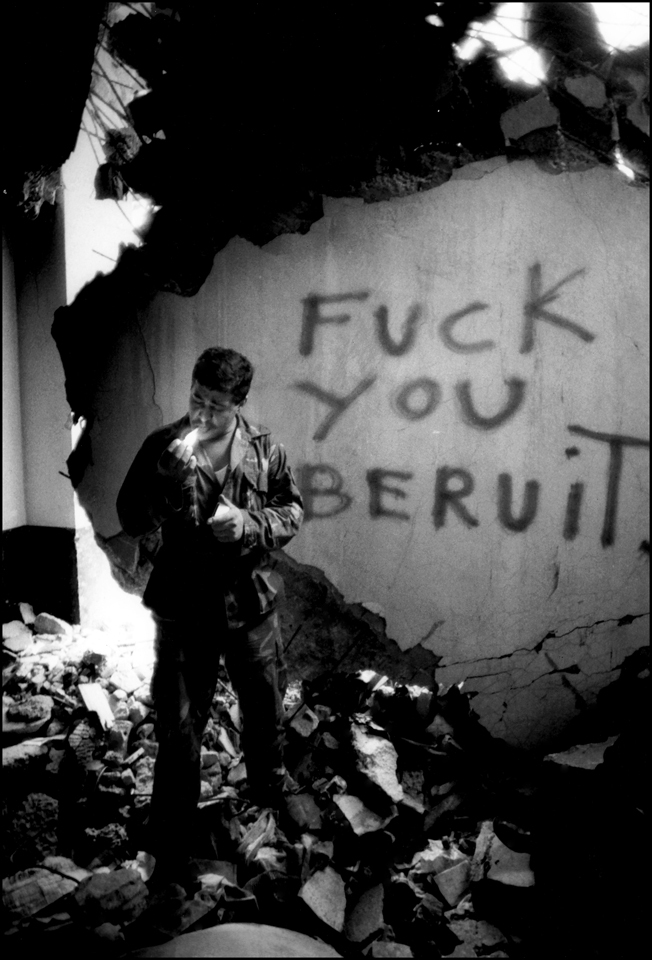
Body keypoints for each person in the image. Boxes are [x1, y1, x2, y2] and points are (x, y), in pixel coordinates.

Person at [117, 346, 304, 882]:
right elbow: (130, 518)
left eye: (216, 406)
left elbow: (292, 511)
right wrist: (162, 480)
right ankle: (170, 841)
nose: (202, 414)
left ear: (239, 403)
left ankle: (273, 810)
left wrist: (248, 523)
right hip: (182, 608)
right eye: (196, 398)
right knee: (178, 726)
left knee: (265, 711)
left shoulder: (266, 448)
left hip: (251, 605)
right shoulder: (162, 446)